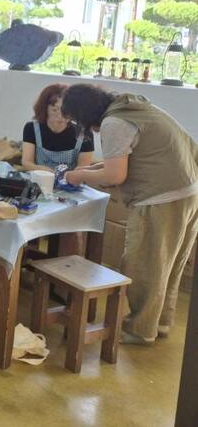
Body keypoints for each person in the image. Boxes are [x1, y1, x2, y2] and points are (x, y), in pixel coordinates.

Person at [62, 84, 198, 344]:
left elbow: (115, 175)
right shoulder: (134, 107)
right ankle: (159, 325)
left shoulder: (115, 123)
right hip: (188, 190)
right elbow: (119, 162)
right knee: (167, 265)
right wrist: (86, 172)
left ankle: (139, 329)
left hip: (161, 197)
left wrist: (79, 175)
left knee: (143, 265)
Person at [21, 83, 94, 171]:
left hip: (69, 182)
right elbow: (26, 163)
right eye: (54, 110)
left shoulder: (84, 134)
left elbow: (83, 170)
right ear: (44, 109)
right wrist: (43, 171)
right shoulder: (32, 128)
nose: (61, 116)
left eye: (66, 110)